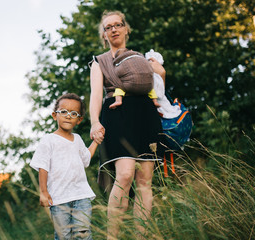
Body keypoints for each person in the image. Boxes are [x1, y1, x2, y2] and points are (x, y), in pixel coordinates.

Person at [89, 10, 166, 238]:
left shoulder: (140, 58)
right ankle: (113, 236)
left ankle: (140, 236)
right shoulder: (99, 62)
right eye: (108, 27)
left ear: (126, 29)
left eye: (118, 24)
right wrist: (94, 122)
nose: (113, 29)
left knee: (144, 180)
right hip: (117, 113)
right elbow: (96, 95)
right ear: (104, 35)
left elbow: (158, 85)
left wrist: (161, 72)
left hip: (145, 113)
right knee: (124, 175)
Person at [30, 93, 101, 240]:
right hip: (58, 198)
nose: (68, 116)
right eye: (63, 112)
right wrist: (43, 192)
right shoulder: (48, 140)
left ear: (79, 119)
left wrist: (96, 142)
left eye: (73, 113)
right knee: (63, 235)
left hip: (81, 195)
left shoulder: (78, 139)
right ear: (55, 115)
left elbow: (85, 159)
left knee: (83, 233)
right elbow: (43, 166)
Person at [109, 48, 182, 119]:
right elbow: (159, 93)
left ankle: (118, 100)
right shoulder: (141, 59)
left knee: (119, 87)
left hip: (137, 107)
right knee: (150, 87)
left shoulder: (120, 64)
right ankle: (155, 101)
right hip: (147, 88)